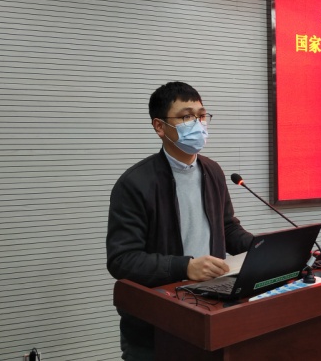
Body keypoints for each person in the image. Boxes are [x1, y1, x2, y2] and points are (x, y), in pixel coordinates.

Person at [107, 81, 253, 360]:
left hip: (210, 307)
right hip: (157, 323)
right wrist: (185, 266)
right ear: (159, 126)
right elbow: (122, 260)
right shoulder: (135, 183)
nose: (198, 124)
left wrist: (264, 249)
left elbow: (227, 228)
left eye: (201, 115)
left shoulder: (212, 171)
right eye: (186, 117)